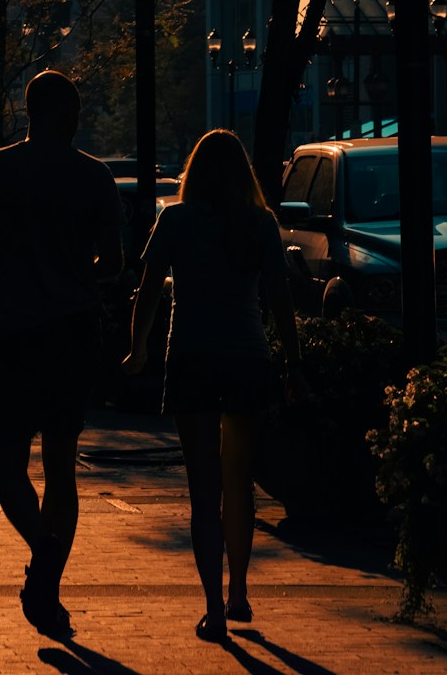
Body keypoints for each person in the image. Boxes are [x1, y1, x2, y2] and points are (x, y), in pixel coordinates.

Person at [0, 70, 123, 637]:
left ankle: (43, 556)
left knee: (8, 471)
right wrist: (79, 271)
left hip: (10, 332)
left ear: (28, 112)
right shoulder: (95, 178)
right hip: (73, 333)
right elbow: (115, 262)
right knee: (60, 467)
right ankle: (49, 573)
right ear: (70, 115)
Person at [122, 129, 302, 643]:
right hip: (247, 355)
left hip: (193, 356)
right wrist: (293, 360)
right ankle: (240, 591)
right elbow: (281, 297)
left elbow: (149, 291)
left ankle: (212, 608)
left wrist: (138, 350)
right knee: (239, 481)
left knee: (204, 489)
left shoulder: (175, 220)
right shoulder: (259, 223)